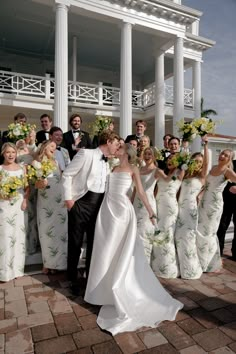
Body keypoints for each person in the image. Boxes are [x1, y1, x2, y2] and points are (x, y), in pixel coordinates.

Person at [84, 143, 183, 335]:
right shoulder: (112, 167)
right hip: (106, 211)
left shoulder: (134, 168)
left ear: (126, 152)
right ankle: (102, 293)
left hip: (122, 212)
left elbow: (141, 192)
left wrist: (150, 211)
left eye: (120, 147)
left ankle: (118, 290)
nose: (117, 149)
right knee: (105, 251)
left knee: (118, 249)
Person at [62, 130, 120, 296]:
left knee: (95, 244)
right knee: (75, 243)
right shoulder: (86, 154)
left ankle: (90, 278)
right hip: (80, 204)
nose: (117, 147)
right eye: (116, 143)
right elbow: (67, 174)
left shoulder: (109, 162)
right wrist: (69, 201)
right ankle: (72, 279)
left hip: (99, 206)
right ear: (108, 141)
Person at [196, 149, 236, 272]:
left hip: (215, 205)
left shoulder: (228, 171)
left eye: (226, 155)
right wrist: (199, 194)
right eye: (222, 153)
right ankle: (200, 259)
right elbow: (207, 185)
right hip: (203, 203)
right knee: (200, 229)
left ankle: (210, 263)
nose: (222, 156)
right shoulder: (213, 167)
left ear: (229, 159)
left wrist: (235, 187)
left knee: (209, 232)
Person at [175, 137, 209, 279]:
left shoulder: (202, 176)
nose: (198, 163)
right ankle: (180, 268)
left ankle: (191, 270)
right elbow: (177, 190)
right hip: (179, 209)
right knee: (178, 237)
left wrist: (205, 146)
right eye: (196, 160)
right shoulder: (185, 174)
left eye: (200, 162)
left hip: (191, 210)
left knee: (188, 237)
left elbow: (207, 164)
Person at [34, 140, 68, 274]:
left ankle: (60, 263)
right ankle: (47, 263)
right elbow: (36, 185)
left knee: (60, 232)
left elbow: (62, 180)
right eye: (52, 146)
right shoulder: (37, 163)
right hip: (46, 201)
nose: (54, 149)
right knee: (46, 231)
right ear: (45, 147)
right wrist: (41, 183)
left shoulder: (57, 162)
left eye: (55, 147)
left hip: (59, 201)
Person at [152, 154, 185, 278]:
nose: (170, 161)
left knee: (167, 234)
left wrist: (180, 165)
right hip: (158, 206)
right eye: (169, 159)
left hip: (170, 207)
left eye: (173, 159)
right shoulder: (161, 173)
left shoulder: (179, 172)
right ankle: (157, 265)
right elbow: (156, 191)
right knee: (158, 233)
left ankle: (168, 268)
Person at [0, 142, 29, 281]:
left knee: (18, 237)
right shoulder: (0, 169)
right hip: (4, 206)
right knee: (5, 236)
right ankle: (5, 272)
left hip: (19, 205)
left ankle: (17, 270)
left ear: (16, 153)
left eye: (13, 152)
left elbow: (27, 187)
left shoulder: (22, 168)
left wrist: (25, 200)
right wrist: (3, 195)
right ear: (3, 154)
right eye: (8, 152)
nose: (10, 155)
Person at [217, 159, 236, 260]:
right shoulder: (232, 163)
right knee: (222, 226)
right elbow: (223, 178)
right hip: (227, 200)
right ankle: (218, 250)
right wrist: (230, 187)